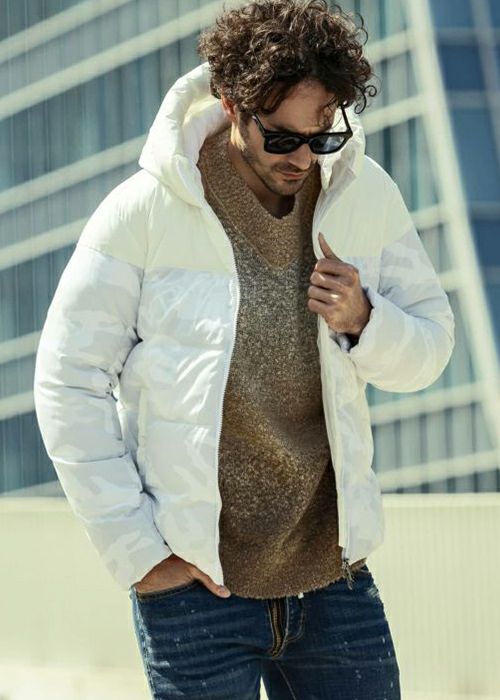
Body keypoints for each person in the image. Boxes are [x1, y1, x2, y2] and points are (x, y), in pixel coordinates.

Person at [33, 1, 455, 698]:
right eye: (281, 137)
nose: (303, 159)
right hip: (197, 590)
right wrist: (139, 554)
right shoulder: (146, 211)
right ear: (231, 103)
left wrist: (364, 319)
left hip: (333, 583)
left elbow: (432, 348)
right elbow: (67, 381)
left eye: (321, 135)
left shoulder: (364, 193)